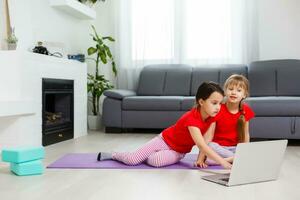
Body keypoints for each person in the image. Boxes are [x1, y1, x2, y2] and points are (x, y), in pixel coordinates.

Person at [97, 82, 232, 169]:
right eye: (214, 103)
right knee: (133, 160)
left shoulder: (213, 116)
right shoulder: (192, 119)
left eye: (220, 103)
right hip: (163, 141)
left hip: (178, 151)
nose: (218, 107)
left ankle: (145, 154)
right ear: (201, 102)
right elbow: (201, 145)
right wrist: (223, 163)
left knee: (156, 161)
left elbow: (206, 142)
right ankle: (115, 154)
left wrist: (200, 159)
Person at [195, 74, 255, 168]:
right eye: (230, 89)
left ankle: (223, 160)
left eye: (238, 90)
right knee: (210, 145)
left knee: (252, 150)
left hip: (235, 148)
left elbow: (246, 134)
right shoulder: (218, 109)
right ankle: (236, 159)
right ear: (225, 91)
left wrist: (245, 151)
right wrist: (200, 158)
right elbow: (208, 136)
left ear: (244, 94)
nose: (234, 93)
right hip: (218, 148)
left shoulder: (245, 110)